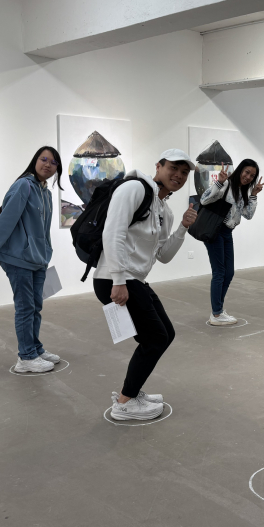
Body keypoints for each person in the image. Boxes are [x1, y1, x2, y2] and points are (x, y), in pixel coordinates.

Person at [93, 149, 198, 421]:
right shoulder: (134, 189)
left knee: (166, 334)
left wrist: (183, 228)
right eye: (173, 168)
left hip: (135, 279)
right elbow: (112, 233)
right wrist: (118, 280)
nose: (179, 175)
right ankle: (124, 403)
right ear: (159, 166)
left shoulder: (165, 211)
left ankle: (132, 392)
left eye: (184, 172)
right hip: (115, 278)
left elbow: (163, 256)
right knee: (155, 338)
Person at [0, 146, 63, 373]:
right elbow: (6, 221)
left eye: (53, 162)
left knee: (36, 307)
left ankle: (35, 348)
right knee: (25, 307)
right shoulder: (24, 185)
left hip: (37, 259)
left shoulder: (46, 193)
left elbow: (44, 230)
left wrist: (46, 253)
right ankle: (26, 358)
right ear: (35, 160)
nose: (48, 165)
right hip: (17, 258)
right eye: (44, 159)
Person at [200, 159, 264, 326]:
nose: (248, 177)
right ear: (240, 170)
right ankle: (216, 314)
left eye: (252, 176)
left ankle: (218, 310)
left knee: (228, 273)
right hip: (215, 231)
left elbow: (248, 215)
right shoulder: (226, 184)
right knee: (219, 272)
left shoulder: (242, 191)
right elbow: (204, 200)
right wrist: (219, 182)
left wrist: (253, 195)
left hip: (227, 232)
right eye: (246, 172)